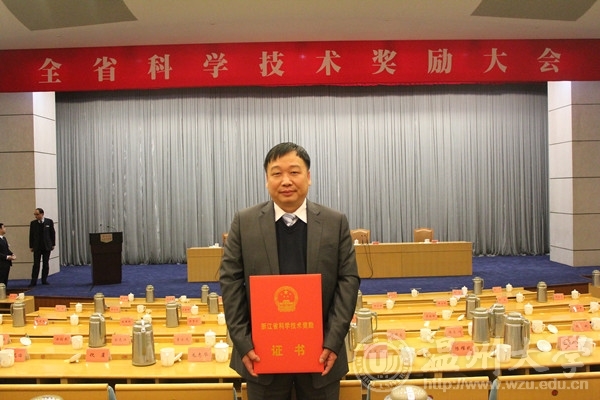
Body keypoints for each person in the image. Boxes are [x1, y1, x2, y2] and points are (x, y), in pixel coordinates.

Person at [219, 142, 360, 400]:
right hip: (261, 357)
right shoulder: (244, 222)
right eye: (277, 173)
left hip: (322, 358)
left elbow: (348, 280)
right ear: (266, 180)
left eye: (294, 172)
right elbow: (230, 281)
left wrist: (333, 341)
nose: (286, 181)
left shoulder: (334, 222)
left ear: (308, 176)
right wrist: (243, 342)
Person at [29, 207, 56, 286]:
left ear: (42, 214)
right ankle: (34, 281)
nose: (36, 216)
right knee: (36, 264)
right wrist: (31, 246)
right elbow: (31, 235)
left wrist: (53, 244)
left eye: (37, 214)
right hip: (37, 246)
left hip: (46, 246)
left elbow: (52, 233)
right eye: (35, 214)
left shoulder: (49, 222)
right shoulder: (33, 223)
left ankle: (44, 280)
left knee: (45, 263)